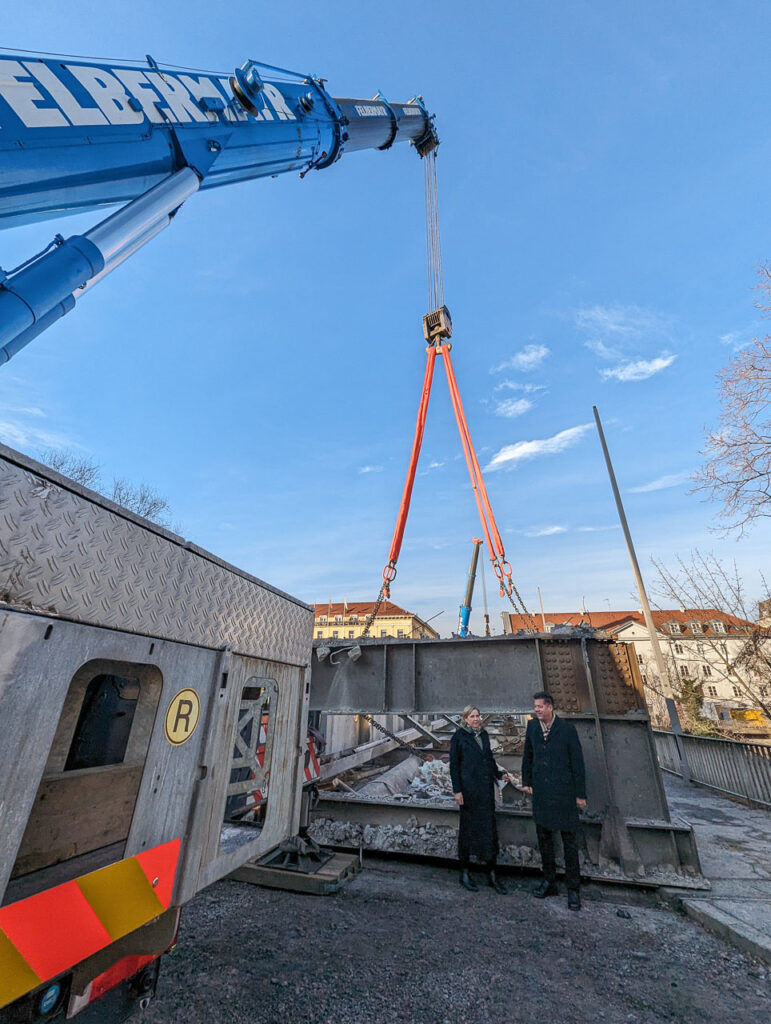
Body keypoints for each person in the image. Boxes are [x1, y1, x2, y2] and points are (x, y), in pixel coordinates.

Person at [521, 690, 587, 911]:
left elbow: (577, 762)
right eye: (535, 706)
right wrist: (527, 781)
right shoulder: (532, 727)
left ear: (550, 707)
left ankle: (573, 890)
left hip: (564, 794)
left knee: (569, 842)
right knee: (544, 840)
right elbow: (528, 755)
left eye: (539, 706)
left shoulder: (567, 730)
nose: (536, 710)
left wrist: (580, 794)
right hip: (541, 792)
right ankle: (549, 882)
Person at [449, 705, 507, 894]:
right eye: (472, 716)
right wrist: (457, 791)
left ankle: (491, 873)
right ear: (465, 719)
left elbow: (488, 759)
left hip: (485, 791)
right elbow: (454, 766)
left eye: (478, 716)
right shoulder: (459, 738)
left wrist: (498, 775)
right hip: (468, 792)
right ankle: (464, 872)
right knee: (467, 831)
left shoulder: (484, 736)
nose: (476, 719)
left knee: (489, 830)